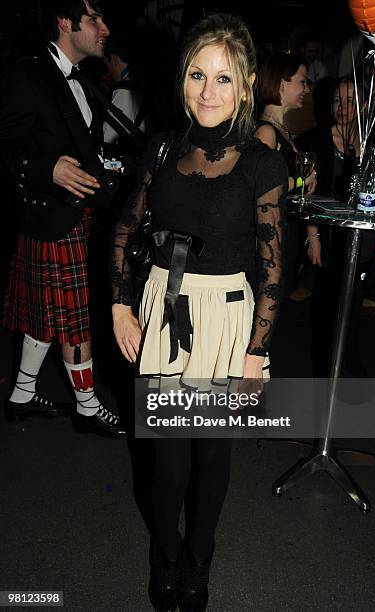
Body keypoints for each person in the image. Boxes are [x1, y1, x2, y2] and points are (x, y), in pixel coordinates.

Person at [111, 13, 287, 612]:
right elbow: (127, 226)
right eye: (196, 75)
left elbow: (272, 267)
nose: (208, 91)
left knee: (213, 454)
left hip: (229, 322)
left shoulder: (263, 164)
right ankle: (164, 554)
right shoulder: (162, 147)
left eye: (223, 79)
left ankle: (199, 555)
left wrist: (258, 349)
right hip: (163, 311)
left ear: (245, 86)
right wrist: (118, 303)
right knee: (168, 462)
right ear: (182, 79)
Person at [0, 0, 125, 438]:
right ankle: (87, 407)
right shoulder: (28, 75)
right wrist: (46, 168)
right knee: (74, 320)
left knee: (47, 316)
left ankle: (21, 394)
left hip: (76, 214)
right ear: (65, 23)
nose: (104, 27)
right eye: (95, 18)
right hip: (50, 219)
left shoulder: (81, 79)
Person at [296, 76, 375, 375]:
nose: (343, 107)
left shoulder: (372, 143)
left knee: (353, 300)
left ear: (363, 105)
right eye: (337, 100)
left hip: (361, 237)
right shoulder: (313, 141)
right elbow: (307, 193)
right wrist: (313, 236)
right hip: (327, 234)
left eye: (350, 101)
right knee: (326, 301)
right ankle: (325, 365)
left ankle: (347, 362)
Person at [255, 51, 317, 300]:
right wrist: (302, 180)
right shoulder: (265, 132)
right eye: (302, 81)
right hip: (269, 237)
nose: (307, 89)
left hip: (285, 232)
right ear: (282, 84)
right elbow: (262, 187)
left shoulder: (284, 133)